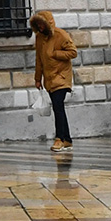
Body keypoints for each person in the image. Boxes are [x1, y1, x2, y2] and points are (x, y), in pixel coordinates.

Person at [30, 10, 78, 151]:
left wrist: (56, 54)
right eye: (38, 24)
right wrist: (37, 78)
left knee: (58, 106)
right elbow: (38, 59)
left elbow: (73, 52)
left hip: (61, 77)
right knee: (59, 108)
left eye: (42, 24)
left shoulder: (61, 35)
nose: (40, 27)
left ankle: (59, 139)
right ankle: (67, 139)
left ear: (47, 23)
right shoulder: (39, 38)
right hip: (49, 79)